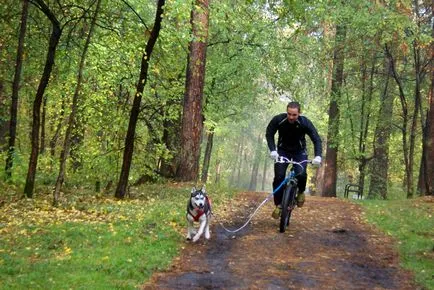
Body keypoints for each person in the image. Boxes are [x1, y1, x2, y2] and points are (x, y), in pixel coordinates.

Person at [265, 101, 322, 219]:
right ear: (287, 112)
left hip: (299, 152)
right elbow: (269, 133)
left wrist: (318, 156)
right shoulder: (279, 119)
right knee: (279, 177)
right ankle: (279, 205)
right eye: (289, 114)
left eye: (294, 115)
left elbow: (316, 139)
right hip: (282, 151)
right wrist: (272, 150)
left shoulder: (305, 122)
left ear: (299, 113)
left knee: (301, 174)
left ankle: (301, 191)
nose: (291, 117)